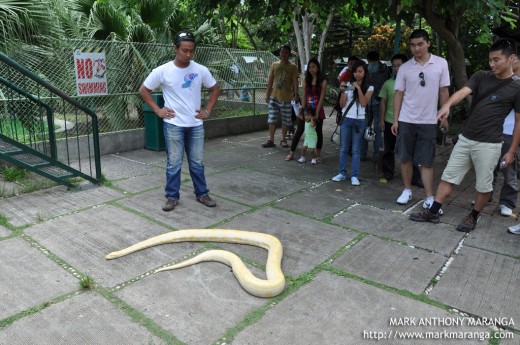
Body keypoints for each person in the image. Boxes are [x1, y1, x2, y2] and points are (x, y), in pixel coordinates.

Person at [410, 38, 520, 233]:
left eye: (496, 60)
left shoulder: (517, 87)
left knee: (484, 185)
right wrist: (446, 106)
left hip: (490, 143)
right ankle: (433, 211)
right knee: (448, 177)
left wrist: (511, 151)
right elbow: (462, 92)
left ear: (511, 58)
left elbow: (519, 122)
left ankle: (473, 216)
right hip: (466, 138)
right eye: (490, 60)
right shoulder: (481, 76)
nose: (492, 64)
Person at [139, 30, 219, 212]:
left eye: (191, 50)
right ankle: (172, 197)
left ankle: (202, 194)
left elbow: (215, 89)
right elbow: (144, 90)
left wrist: (207, 110)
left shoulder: (200, 70)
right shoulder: (163, 71)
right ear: (175, 48)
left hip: (196, 125)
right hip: (173, 125)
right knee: (174, 163)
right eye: (184, 50)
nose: (188, 54)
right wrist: (158, 110)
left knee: (197, 162)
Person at [392, 29, 450, 211]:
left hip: (429, 120)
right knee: (405, 158)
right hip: (406, 120)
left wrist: (444, 114)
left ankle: (429, 197)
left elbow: (443, 91)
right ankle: (407, 190)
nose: (416, 48)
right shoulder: (405, 68)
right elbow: (398, 94)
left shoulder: (441, 64)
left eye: (420, 44)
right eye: (412, 45)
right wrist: (395, 120)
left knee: (426, 161)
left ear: (428, 43)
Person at [331, 60, 374, 186]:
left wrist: (358, 88)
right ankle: (341, 173)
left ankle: (354, 175)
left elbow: (364, 103)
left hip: (360, 120)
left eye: (360, 71)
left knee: (356, 149)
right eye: (355, 71)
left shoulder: (369, 87)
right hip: (346, 119)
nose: (357, 74)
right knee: (344, 148)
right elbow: (342, 104)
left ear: (365, 72)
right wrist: (343, 91)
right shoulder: (347, 84)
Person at [285, 57, 327, 162]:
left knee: (318, 132)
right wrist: (302, 110)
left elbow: (322, 97)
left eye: (313, 67)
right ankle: (291, 153)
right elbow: (303, 96)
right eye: (309, 67)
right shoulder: (306, 80)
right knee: (299, 130)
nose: (311, 69)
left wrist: (317, 112)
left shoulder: (323, 80)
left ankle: (318, 155)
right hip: (306, 110)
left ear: (318, 67)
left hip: (317, 109)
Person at [262, 44, 300, 148]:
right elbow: (270, 81)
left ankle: (283, 140)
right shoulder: (274, 65)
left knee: (286, 120)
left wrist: (296, 94)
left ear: (289, 54)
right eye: (282, 52)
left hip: (287, 98)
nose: (283, 54)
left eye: (286, 52)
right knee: (272, 118)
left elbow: (295, 82)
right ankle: (271, 140)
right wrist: (267, 95)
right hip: (274, 96)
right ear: (280, 53)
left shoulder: (293, 67)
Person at [363, 51, 392, 163]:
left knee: (364, 127)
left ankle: (362, 153)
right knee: (378, 129)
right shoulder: (384, 69)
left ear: (368, 59)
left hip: (366, 101)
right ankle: (377, 155)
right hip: (380, 101)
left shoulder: (365, 68)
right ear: (378, 58)